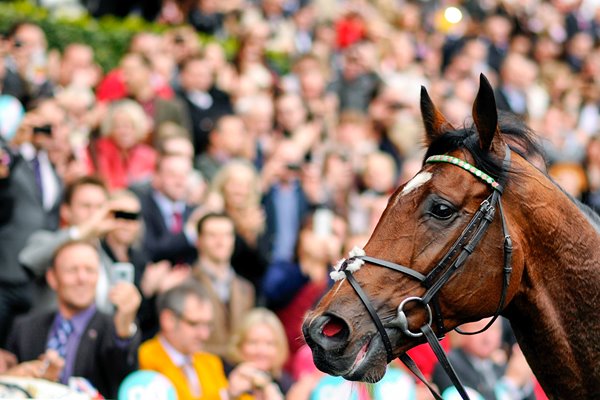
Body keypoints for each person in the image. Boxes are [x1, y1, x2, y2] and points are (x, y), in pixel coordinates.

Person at [6, 240, 141, 399]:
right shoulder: (25, 327)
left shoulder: (114, 327)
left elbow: (123, 365)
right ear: (52, 278)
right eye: (72, 270)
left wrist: (125, 322)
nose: (82, 278)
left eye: (90, 270)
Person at [138, 279, 230, 400]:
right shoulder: (145, 359)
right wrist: (226, 395)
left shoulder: (210, 362)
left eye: (208, 325)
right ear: (168, 320)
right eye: (194, 324)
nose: (204, 335)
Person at [192, 212, 255, 358]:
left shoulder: (246, 288)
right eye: (212, 235)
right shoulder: (185, 283)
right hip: (202, 367)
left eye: (227, 235)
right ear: (199, 241)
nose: (221, 242)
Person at [431, 318, 536, 400]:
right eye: (479, 327)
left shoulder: (500, 366)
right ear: (462, 330)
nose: (487, 337)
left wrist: (524, 379)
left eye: (494, 329)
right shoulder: (448, 366)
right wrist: (511, 383)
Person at [138, 153, 198, 265]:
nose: (179, 182)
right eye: (172, 175)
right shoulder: (142, 208)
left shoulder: (196, 212)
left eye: (185, 175)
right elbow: (149, 250)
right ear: (156, 177)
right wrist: (188, 233)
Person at [85, 99, 157, 190]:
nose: (124, 132)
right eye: (118, 126)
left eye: (129, 126)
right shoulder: (99, 150)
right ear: (111, 128)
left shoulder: (148, 155)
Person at [226, 308, 292, 396]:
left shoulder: (284, 383)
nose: (261, 351)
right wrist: (229, 394)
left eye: (269, 343)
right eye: (253, 342)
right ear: (240, 345)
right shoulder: (223, 375)